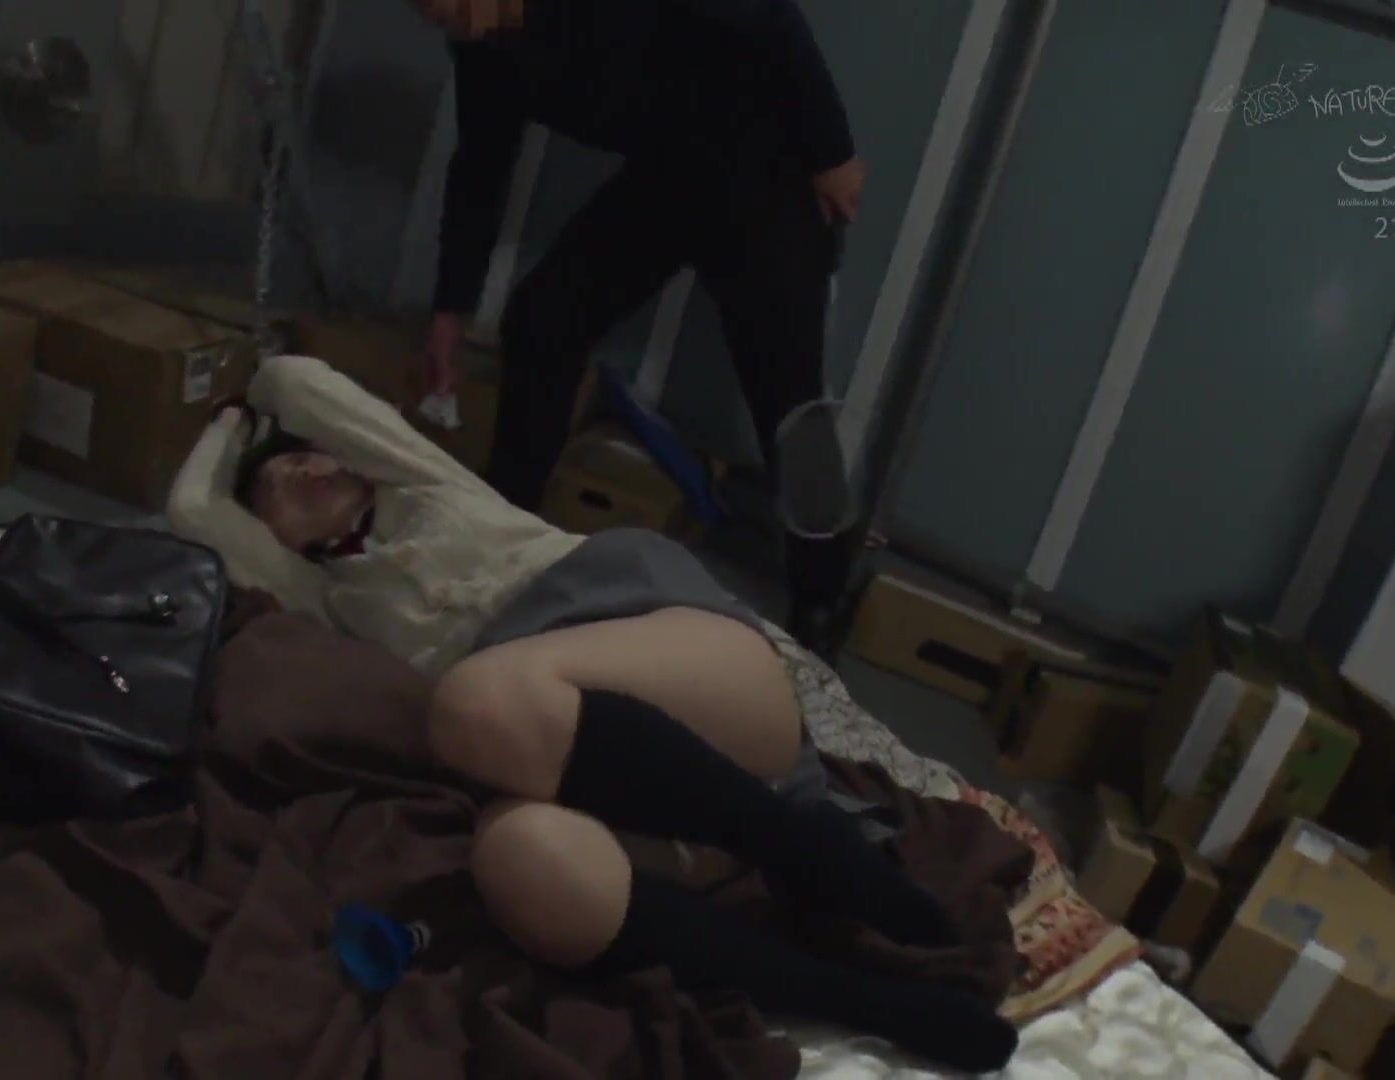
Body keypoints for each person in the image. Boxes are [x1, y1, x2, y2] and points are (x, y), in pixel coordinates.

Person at [178, 357, 1017, 1074]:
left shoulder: (423, 481)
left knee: (471, 701)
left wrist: (250, 400)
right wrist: (225, 438)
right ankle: (868, 1000)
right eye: (278, 486)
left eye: (308, 456)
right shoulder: (327, 598)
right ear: (277, 540)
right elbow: (191, 514)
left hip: (673, 660)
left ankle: (808, 847)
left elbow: (294, 379)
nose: (304, 473)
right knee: (516, 853)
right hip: (596, 773)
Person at [410, 0, 867, 649]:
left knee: (789, 407)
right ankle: (508, 529)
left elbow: (767, 12)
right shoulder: (483, 45)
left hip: (767, 172)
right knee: (543, 322)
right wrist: (449, 310)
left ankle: (821, 598)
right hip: (670, 173)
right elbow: (481, 167)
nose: (429, 18)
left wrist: (832, 151)